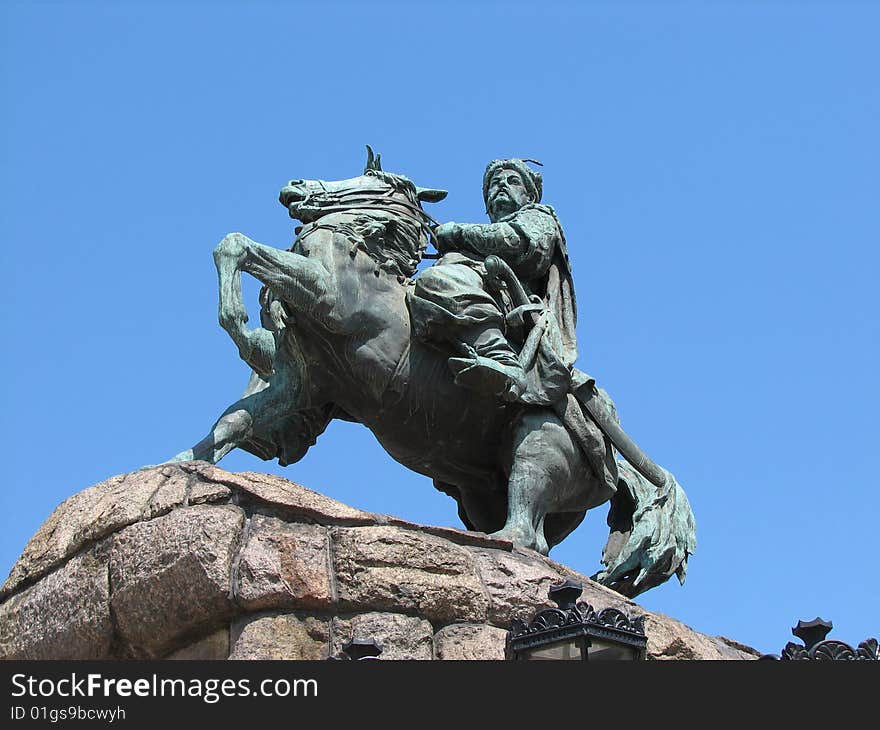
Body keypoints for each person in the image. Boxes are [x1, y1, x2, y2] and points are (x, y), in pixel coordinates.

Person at [409, 158, 578, 405]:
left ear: (529, 196)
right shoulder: (477, 244)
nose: (501, 186)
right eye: (495, 183)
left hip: (512, 306)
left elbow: (517, 241)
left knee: (439, 279)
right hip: (484, 294)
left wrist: (457, 233)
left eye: (513, 181)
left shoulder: (538, 215)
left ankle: (503, 360)